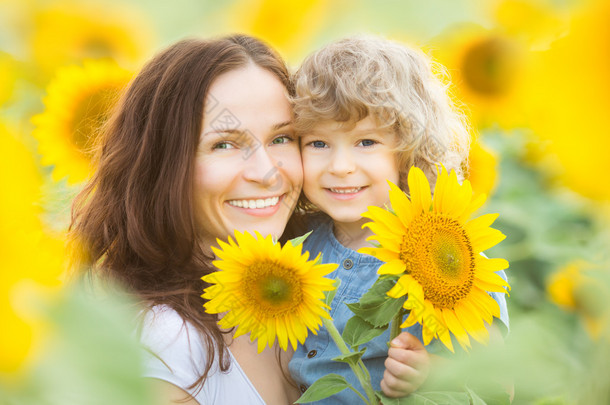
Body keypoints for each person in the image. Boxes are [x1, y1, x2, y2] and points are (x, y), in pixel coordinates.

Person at [69, 35, 304, 404]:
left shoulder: (321, 297)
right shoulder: (169, 345)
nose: (266, 173)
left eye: (282, 138)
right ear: (164, 165)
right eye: (224, 144)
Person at [288, 35, 510, 403]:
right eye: (318, 143)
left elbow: (502, 386)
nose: (340, 167)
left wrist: (430, 374)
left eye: (366, 142)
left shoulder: (451, 263)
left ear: (410, 150)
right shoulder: (297, 241)